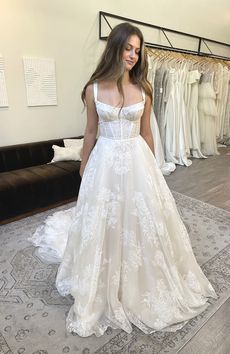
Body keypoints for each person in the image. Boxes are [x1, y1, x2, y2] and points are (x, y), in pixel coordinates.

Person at [30, 22, 217, 337]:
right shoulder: (93, 88)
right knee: (105, 220)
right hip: (103, 161)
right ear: (115, 47)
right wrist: (84, 165)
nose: (132, 55)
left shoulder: (144, 88)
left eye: (137, 50)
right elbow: (90, 131)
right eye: (128, 48)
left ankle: (139, 279)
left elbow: (146, 133)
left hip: (137, 161)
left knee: (139, 221)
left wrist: (154, 170)